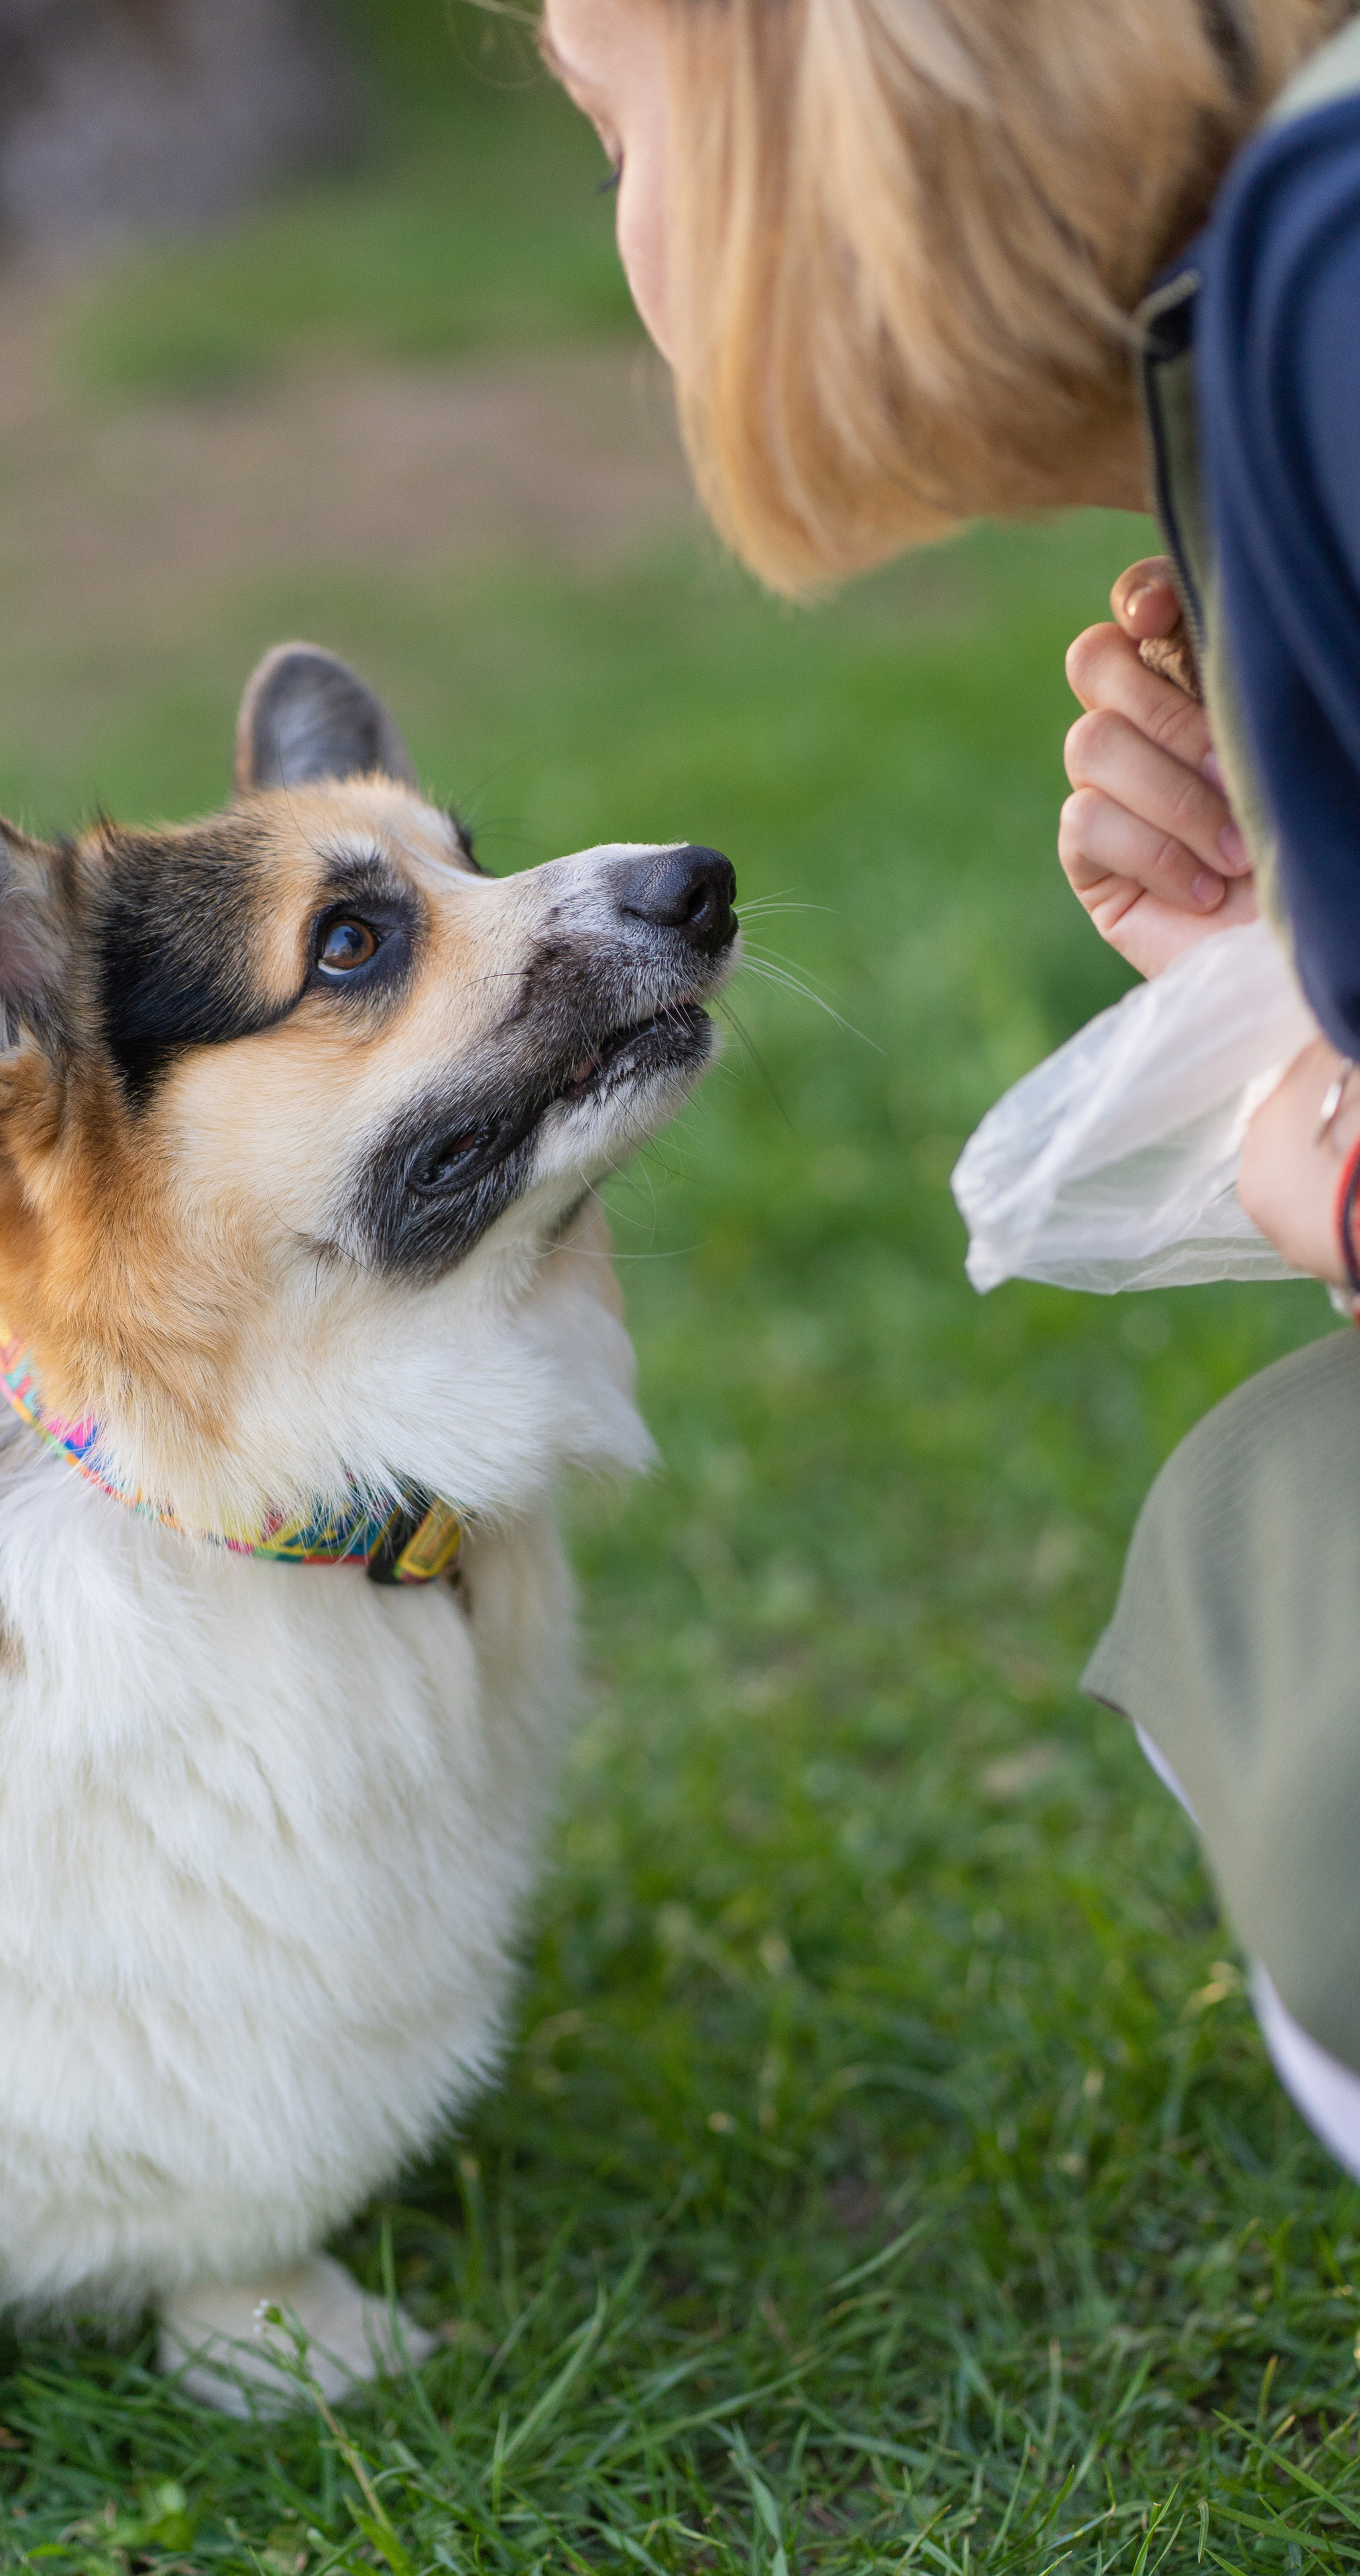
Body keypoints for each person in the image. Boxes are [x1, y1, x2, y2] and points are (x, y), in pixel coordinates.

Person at [539, 0, 1360, 2174]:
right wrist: (1283, 974)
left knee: (1307, 1664)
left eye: (608, 119)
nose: (624, 227)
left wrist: (1319, 1162)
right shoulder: (1273, 327)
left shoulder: (1333, 262)